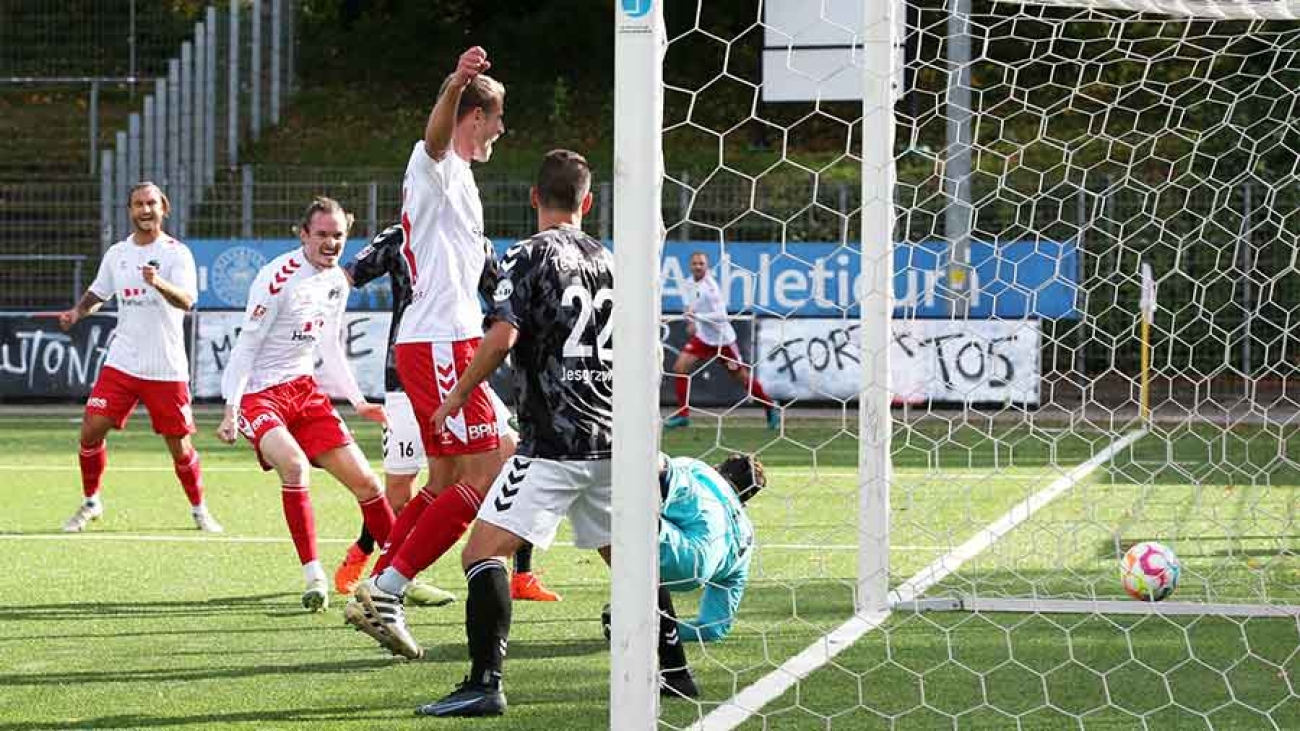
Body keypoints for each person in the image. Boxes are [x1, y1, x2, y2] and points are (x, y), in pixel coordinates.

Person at [407, 149, 696, 718]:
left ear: (535, 197)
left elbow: (503, 335)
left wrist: (458, 395)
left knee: (482, 552)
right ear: (588, 203)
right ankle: (677, 673)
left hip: (553, 443)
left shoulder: (528, 255)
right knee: (630, 560)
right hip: (613, 440)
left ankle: (484, 683)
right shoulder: (611, 261)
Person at [343, 45, 555, 651]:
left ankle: (381, 580)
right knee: (493, 468)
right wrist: (455, 85)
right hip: (440, 342)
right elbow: (433, 139)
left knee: (445, 478)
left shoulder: (461, 179)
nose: (501, 129)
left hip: (442, 340)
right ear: (472, 116)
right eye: (494, 117)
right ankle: (389, 588)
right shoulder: (434, 163)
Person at [333, 225, 558, 603]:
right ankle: (372, 566)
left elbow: (501, 301)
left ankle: (521, 573)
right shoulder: (401, 236)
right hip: (415, 370)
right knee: (405, 490)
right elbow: (347, 276)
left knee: (512, 458)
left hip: (461, 367)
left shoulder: (474, 236)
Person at [216, 197, 395, 612]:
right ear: (303, 235)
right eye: (322, 235)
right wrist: (231, 407)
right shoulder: (276, 278)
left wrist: (358, 401)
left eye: (338, 236)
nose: (331, 243)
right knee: (294, 465)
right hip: (260, 394)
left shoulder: (337, 281)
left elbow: (329, 345)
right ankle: (314, 576)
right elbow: (247, 347)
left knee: (368, 483)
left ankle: (400, 574)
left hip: (304, 390)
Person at [58, 181, 222, 534]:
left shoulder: (178, 253)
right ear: (130, 210)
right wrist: (78, 312)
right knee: (91, 431)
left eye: (151, 203)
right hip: (123, 362)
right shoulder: (118, 253)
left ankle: (199, 509)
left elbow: (187, 301)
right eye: (138, 204)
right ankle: (91, 501)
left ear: (163, 207)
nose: (145, 210)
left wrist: (158, 283)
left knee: (179, 447)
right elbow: (99, 291)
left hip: (165, 367)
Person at [601, 453, 763, 646]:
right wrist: (659, 629)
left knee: (602, 510)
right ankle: (636, 624)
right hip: (690, 574)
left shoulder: (703, 472)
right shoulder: (747, 534)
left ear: (718, 468)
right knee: (609, 517)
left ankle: (610, 446)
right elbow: (713, 628)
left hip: (678, 545)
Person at [665, 251, 778, 430]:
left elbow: (721, 316)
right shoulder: (688, 283)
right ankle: (683, 415)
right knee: (680, 368)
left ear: (707, 266)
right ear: (690, 266)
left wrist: (698, 316)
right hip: (703, 338)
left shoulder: (710, 288)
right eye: (695, 263)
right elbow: (689, 307)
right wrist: (692, 321)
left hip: (723, 341)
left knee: (741, 378)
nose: (697, 267)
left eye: (701, 264)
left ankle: (770, 406)